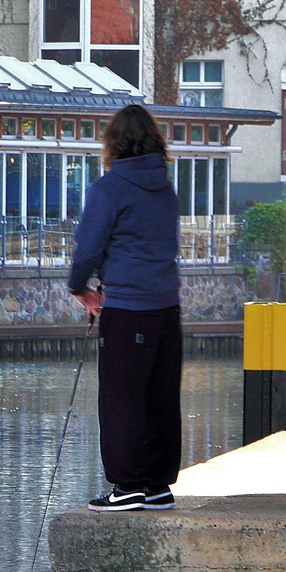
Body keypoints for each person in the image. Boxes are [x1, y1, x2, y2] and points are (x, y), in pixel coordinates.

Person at [66, 104, 181, 511]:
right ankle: (157, 485)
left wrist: (79, 286)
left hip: (128, 308)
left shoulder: (109, 188)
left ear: (113, 143)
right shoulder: (166, 188)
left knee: (122, 396)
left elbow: (88, 247)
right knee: (160, 396)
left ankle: (128, 485)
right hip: (167, 308)